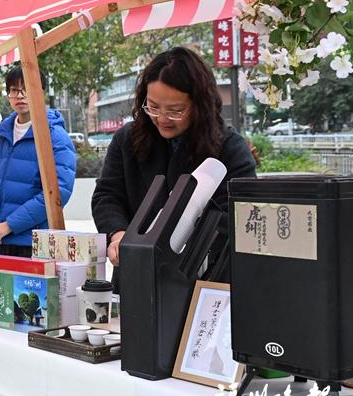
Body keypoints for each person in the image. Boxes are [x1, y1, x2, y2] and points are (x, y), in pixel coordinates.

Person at [92, 46, 257, 274]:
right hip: (136, 272)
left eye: (175, 110)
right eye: (153, 107)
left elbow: (238, 215)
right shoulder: (127, 139)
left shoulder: (228, 147)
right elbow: (107, 195)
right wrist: (118, 234)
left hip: (205, 277)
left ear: (200, 105)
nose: (162, 118)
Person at [0, 65, 77, 257]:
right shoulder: (1, 135)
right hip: (0, 238)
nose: (20, 95)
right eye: (14, 90)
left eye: (26, 89)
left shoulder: (55, 137)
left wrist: (11, 224)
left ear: (40, 92)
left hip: (36, 242)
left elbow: (59, 191)